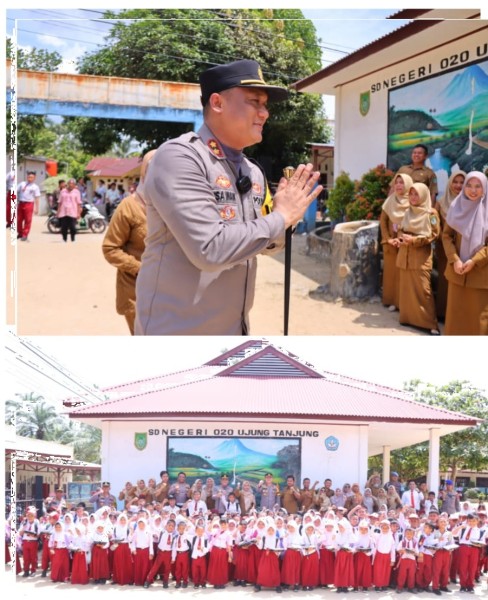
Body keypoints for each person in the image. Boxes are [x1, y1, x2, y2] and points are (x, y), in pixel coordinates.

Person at [135, 58, 322, 335]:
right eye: (254, 102)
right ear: (218, 103)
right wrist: (280, 217)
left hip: (233, 330)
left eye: (265, 104)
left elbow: (263, 244)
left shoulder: (253, 172)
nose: (265, 113)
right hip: (177, 332)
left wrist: (285, 218)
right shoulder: (180, 157)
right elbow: (209, 250)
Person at [102, 150, 156, 335]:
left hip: (168, 291)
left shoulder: (172, 206)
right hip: (136, 291)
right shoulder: (129, 206)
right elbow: (110, 248)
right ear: (145, 173)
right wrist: (140, 268)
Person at [443, 171, 488, 335]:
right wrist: (454, 259)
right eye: (469, 185)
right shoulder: (456, 207)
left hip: (481, 275)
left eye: (478, 186)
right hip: (457, 271)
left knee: (478, 320)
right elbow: (446, 235)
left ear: (485, 188)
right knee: (456, 316)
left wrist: (474, 260)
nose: (473, 190)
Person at [396, 182, 441, 335]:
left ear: (423, 195)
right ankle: (407, 318)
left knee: (424, 291)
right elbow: (401, 230)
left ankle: (431, 324)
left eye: (417, 194)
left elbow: (434, 234)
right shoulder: (407, 212)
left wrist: (414, 240)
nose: (413, 197)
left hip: (420, 257)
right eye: (411, 194)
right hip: (405, 256)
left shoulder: (431, 213)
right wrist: (400, 239)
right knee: (406, 290)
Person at [434, 171, 466, 320]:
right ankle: (442, 312)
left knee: (461, 280)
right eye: (455, 181)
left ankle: (458, 315)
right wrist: (441, 237)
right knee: (444, 279)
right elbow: (434, 222)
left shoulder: (471, 204)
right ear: (449, 183)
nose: (458, 185)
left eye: (462, 182)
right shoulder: (441, 202)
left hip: (464, 248)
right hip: (443, 247)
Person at [380, 172, 414, 311]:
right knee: (391, 273)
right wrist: (388, 239)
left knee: (404, 274)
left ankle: (403, 302)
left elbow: (415, 224)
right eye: (397, 182)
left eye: (402, 182)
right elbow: (383, 221)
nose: (399, 185)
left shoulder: (414, 202)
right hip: (390, 242)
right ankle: (391, 300)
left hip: (407, 243)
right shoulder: (389, 201)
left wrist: (402, 239)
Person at [56, 177, 82, 242]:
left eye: (72, 184)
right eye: (69, 183)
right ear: (67, 184)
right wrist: (58, 212)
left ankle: (73, 239)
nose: (71, 185)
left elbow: (79, 203)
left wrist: (78, 213)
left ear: (74, 185)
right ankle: (64, 239)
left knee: (73, 227)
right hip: (63, 211)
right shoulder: (63, 191)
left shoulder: (77, 192)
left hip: (73, 212)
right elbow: (59, 202)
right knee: (64, 227)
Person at [17, 170, 41, 241]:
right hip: (21, 203)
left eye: (32, 177)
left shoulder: (35, 187)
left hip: (29, 204)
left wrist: (37, 208)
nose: (30, 178)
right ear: (27, 177)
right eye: (29, 177)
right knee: (19, 220)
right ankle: (20, 233)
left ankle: (25, 234)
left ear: (34, 178)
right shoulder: (22, 184)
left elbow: (37, 198)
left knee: (28, 220)